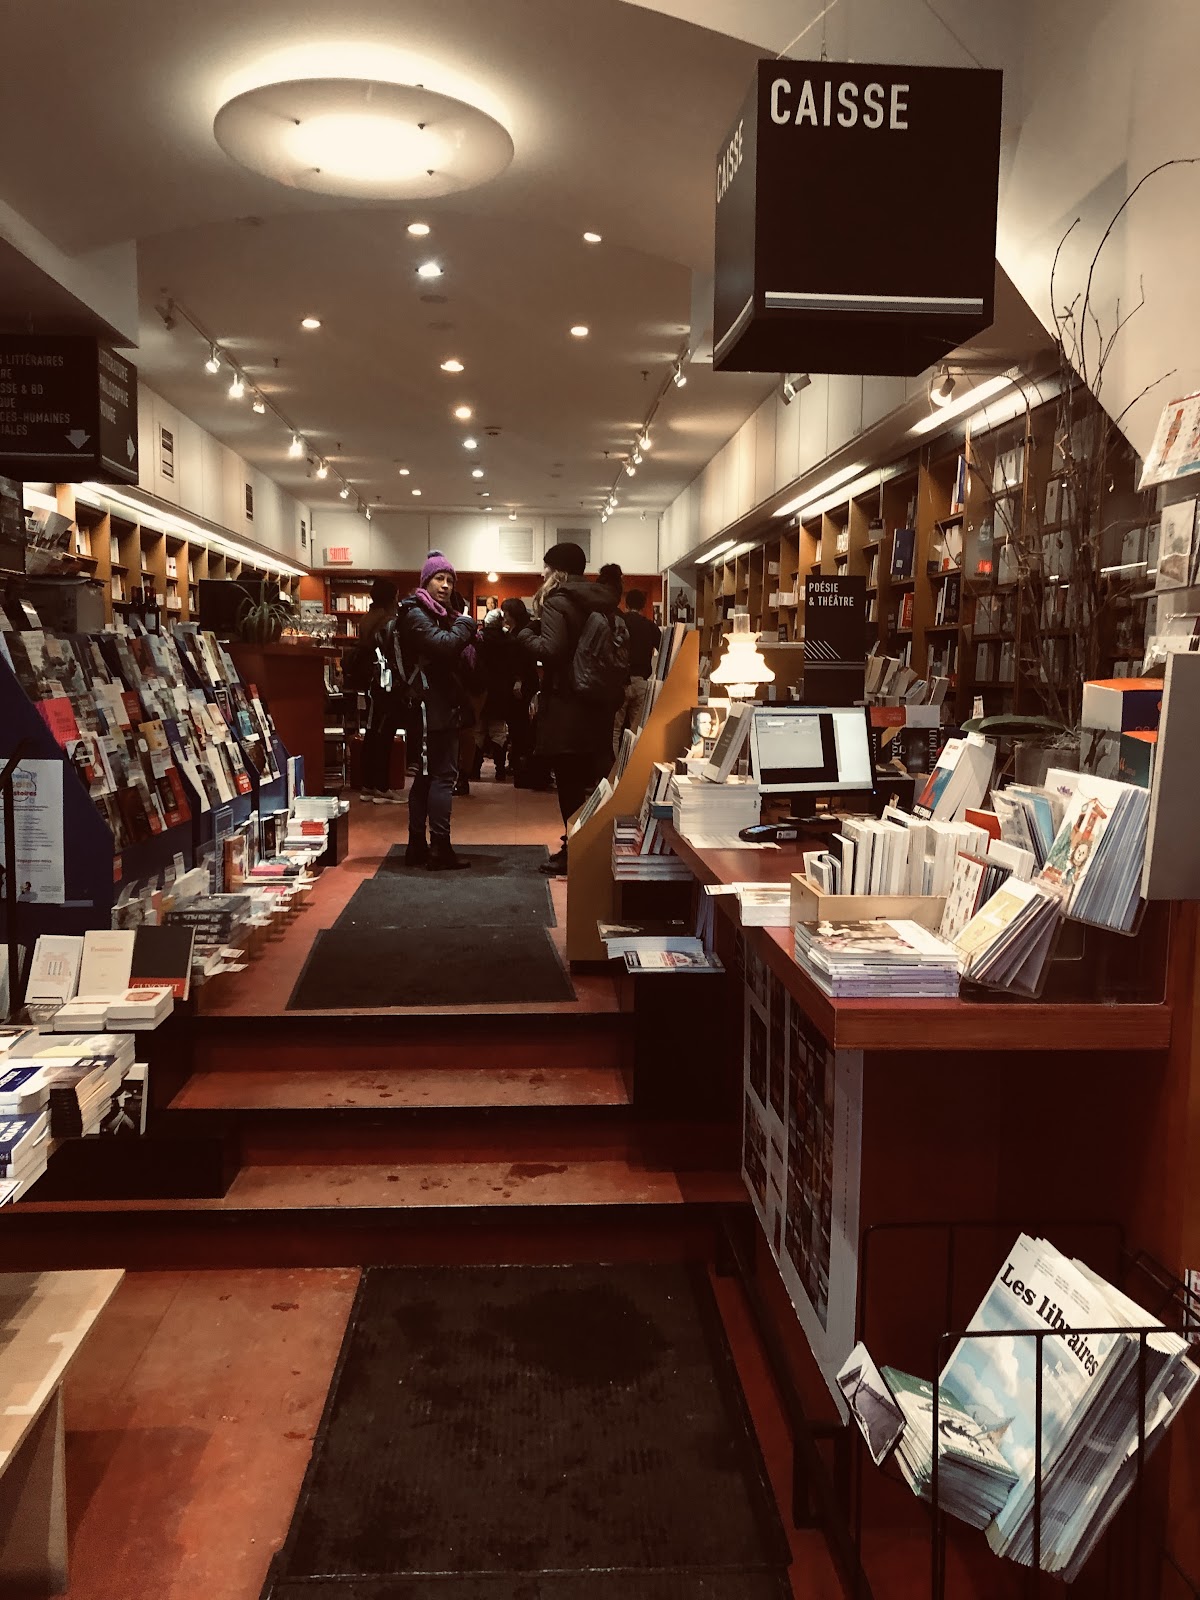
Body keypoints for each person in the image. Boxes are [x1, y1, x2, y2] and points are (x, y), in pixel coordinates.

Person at [516, 542, 624, 876]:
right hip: (597, 702)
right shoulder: (603, 602)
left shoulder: (557, 601)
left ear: (558, 571)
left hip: (566, 705)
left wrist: (524, 635)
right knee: (594, 779)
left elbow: (551, 650)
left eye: (546, 567)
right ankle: (593, 846)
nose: (542, 573)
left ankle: (573, 850)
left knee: (569, 784)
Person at [396, 552, 478, 869]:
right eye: (439, 579)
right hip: (431, 708)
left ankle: (417, 845)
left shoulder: (435, 614)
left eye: (450, 580)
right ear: (425, 581)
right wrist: (466, 623)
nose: (445, 585)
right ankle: (439, 848)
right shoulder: (417, 614)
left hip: (437, 705)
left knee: (427, 777)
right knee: (442, 777)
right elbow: (444, 645)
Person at [358, 578, 407, 805]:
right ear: (392, 597)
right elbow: (394, 654)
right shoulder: (388, 621)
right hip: (386, 684)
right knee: (384, 734)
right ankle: (382, 787)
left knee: (371, 733)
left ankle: (368, 785)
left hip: (371, 682)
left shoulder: (366, 619)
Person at [470, 609, 515, 780]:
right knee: (498, 732)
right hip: (501, 690)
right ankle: (500, 771)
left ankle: (474, 770)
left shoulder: (478, 639)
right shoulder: (509, 641)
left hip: (480, 688)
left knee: (478, 731)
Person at [614, 587, 660, 749]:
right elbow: (664, 649)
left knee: (615, 731)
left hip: (620, 681)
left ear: (626, 604)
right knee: (637, 731)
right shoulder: (650, 626)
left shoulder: (620, 622)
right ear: (643, 605)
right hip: (642, 682)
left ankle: (615, 764)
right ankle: (634, 762)